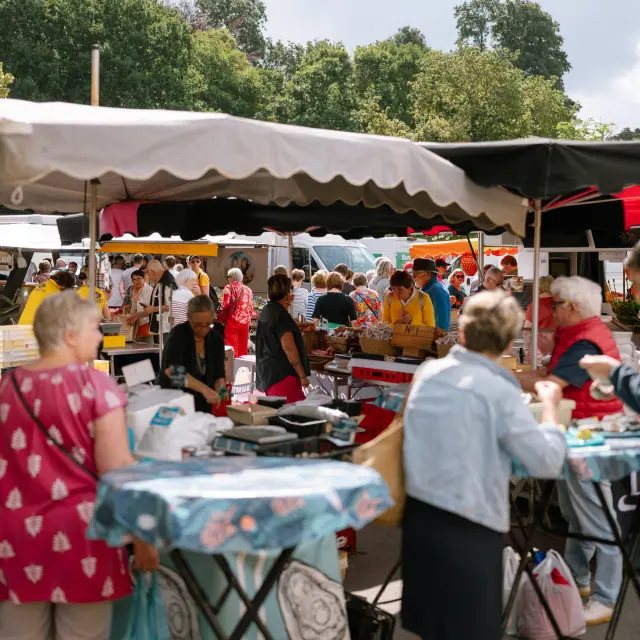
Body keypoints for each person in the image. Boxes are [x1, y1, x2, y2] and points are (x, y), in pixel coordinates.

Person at [402, 290, 566, 640]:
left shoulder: (429, 372)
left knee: (432, 629)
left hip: (420, 521)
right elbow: (548, 461)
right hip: (468, 527)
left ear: (462, 332)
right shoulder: (496, 389)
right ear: (508, 343)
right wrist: (550, 407)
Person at [0, 292, 159, 640]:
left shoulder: (7, 386)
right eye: (94, 327)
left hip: (15, 540)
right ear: (70, 335)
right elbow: (116, 470)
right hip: (81, 536)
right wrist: (142, 537)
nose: (101, 335)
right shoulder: (96, 387)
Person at [520, 276, 623, 625]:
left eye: (558, 304)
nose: (553, 310)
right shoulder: (578, 334)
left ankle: (606, 597)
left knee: (597, 518)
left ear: (574, 307)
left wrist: (509, 376)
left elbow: (551, 383)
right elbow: (548, 373)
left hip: (588, 435)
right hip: (577, 431)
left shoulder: (586, 341)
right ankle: (578, 578)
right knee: (576, 511)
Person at [159, 296, 228, 413]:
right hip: (175, 401)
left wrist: (221, 390)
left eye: (207, 324)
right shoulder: (177, 335)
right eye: (197, 324)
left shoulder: (216, 339)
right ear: (189, 318)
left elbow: (218, 374)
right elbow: (172, 371)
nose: (203, 329)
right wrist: (205, 389)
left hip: (202, 405)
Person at [256, 274, 311, 402]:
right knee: (290, 413)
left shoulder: (267, 310)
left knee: (279, 412)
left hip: (268, 372)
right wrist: (302, 375)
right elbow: (289, 348)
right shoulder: (281, 315)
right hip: (282, 374)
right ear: (286, 292)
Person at [128, 259, 177, 344]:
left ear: (151, 272)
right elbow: (153, 308)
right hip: (160, 328)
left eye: (147, 273)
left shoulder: (168, 283)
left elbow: (172, 306)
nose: (148, 276)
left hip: (166, 329)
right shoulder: (159, 283)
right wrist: (137, 316)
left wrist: (153, 309)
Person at [219, 267, 253, 358]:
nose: (228, 279)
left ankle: (232, 367)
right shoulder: (248, 290)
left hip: (233, 321)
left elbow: (225, 305)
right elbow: (250, 308)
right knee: (243, 347)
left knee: (231, 347)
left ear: (232, 277)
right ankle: (242, 368)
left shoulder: (229, 287)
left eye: (228, 277)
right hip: (245, 322)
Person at [413, 258, 451, 331]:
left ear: (426, 274)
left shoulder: (436, 291)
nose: (413, 278)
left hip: (433, 339)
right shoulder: (433, 288)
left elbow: (440, 324)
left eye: (415, 274)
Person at [524, 275, 557, 357]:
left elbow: (527, 331)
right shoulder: (562, 304)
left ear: (539, 288)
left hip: (541, 350)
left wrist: (526, 349)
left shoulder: (534, 305)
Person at [123, 269, 154, 343]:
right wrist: (127, 307)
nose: (136, 281)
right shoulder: (130, 289)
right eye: (134, 280)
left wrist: (137, 302)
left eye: (139, 279)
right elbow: (125, 303)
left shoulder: (150, 290)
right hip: (131, 324)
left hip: (145, 324)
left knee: (147, 347)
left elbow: (151, 307)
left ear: (144, 279)